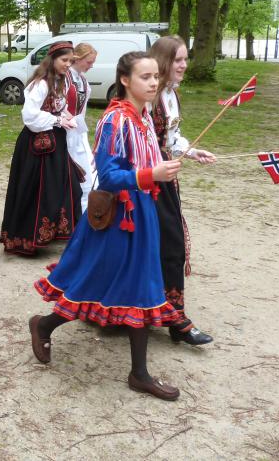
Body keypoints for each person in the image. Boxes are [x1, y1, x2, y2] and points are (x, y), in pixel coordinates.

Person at [29, 51, 184, 401]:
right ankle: (44, 324)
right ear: (125, 80)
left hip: (141, 212)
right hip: (119, 217)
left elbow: (148, 157)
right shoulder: (115, 120)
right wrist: (150, 175)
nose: (154, 82)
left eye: (156, 76)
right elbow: (110, 175)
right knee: (98, 279)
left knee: (139, 285)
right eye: (145, 77)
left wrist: (169, 163)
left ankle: (138, 372)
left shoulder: (142, 117)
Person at [150, 36, 216, 346]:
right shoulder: (148, 96)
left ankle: (173, 315)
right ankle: (168, 317)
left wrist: (191, 151)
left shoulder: (171, 95)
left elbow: (171, 137)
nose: (184, 65)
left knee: (169, 247)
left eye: (186, 59)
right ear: (164, 61)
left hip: (165, 178)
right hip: (146, 183)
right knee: (163, 247)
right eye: (178, 59)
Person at [0, 41, 82, 255]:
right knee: (36, 190)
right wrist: (57, 120)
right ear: (52, 60)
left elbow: (58, 109)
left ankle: (54, 233)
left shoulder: (61, 82)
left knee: (65, 186)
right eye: (64, 60)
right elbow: (29, 116)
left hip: (56, 144)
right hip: (37, 147)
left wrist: (65, 117)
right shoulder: (41, 83)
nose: (67, 64)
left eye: (70, 61)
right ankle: (26, 238)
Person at [67, 43, 98, 212]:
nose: (91, 65)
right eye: (89, 62)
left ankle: (85, 213)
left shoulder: (84, 81)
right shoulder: (64, 78)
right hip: (63, 131)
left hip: (78, 131)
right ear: (78, 59)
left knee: (87, 171)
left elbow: (82, 111)